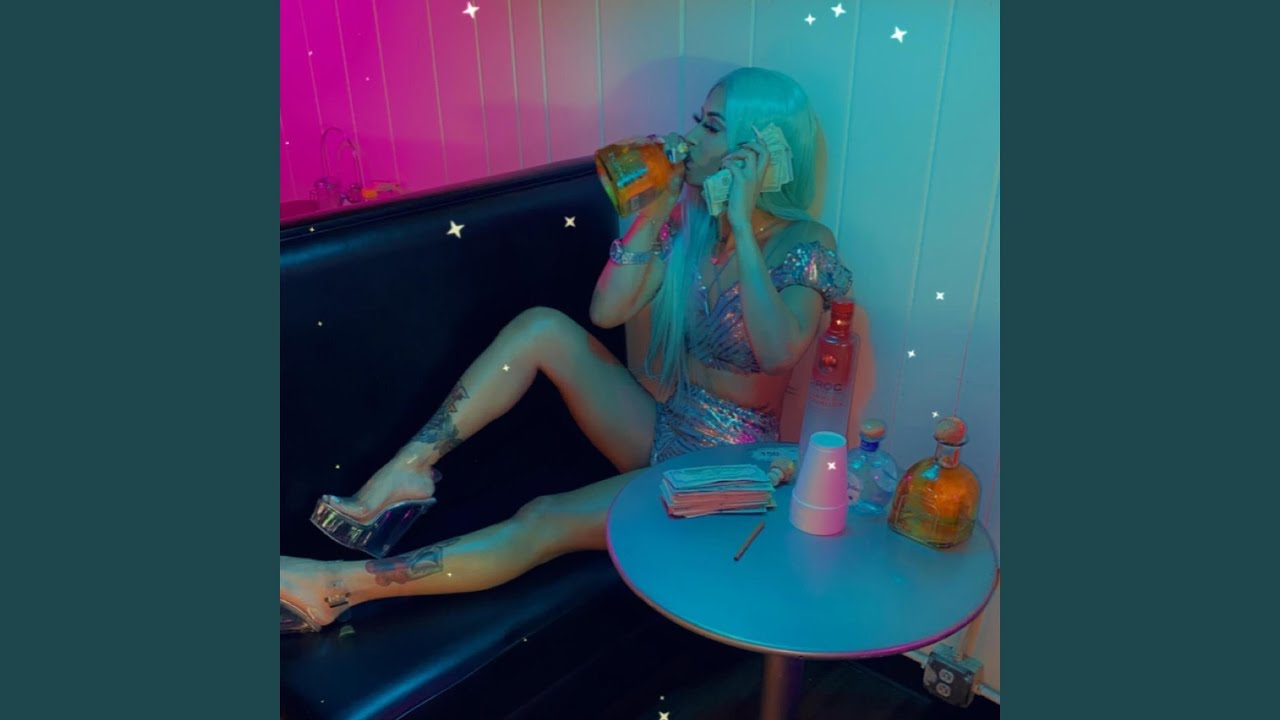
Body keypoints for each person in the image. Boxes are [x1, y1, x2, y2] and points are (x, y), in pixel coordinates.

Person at [281, 66, 854, 633]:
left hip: (726, 471)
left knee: (543, 518)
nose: (690, 138)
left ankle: (335, 587)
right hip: (665, 430)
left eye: (711, 126)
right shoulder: (693, 228)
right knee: (543, 327)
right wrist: (654, 213)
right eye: (696, 121)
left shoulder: (806, 242)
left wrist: (743, 227)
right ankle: (407, 470)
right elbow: (606, 311)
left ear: (760, 149)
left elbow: (778, 351)